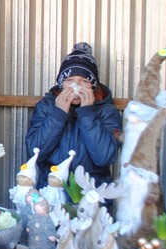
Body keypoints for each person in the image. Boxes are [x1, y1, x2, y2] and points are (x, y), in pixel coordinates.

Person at [25, 42, 121, 189]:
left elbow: (104, 158)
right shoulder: (46, 106)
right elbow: (35, 153)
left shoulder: (107, 111)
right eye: (69, 80)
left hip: (92, 191)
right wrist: (58, 115)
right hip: (51, 188)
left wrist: (87, 114)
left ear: (92, 86)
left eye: (84, 81)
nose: (76, 87)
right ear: (61, 84)